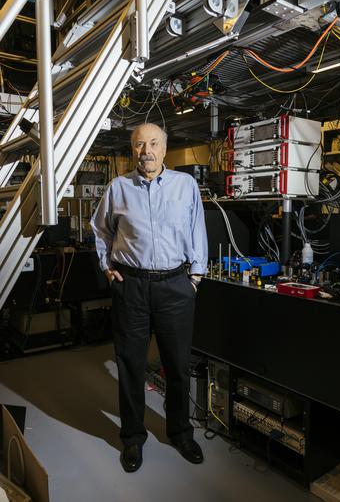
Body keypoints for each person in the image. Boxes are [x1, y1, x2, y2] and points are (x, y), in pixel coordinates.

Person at [90, 122, 208, 472]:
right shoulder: (118, 188)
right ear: (133, 150)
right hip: (132, 286)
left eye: (153, 143)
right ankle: (132, 438)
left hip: (176, 286)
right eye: (140, 145)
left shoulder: (185, 186)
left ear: (164, 148)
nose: (147, 151)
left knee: (176, 364)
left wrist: (196, 277)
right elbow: (99, 230)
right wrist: (106, 268)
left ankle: (180, 432)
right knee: (130, 365)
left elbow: (196, 229)